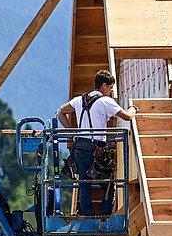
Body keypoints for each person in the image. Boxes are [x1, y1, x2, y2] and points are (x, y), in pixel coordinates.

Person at [56, 70, 137, 217]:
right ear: (104, 85)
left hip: (79, 148)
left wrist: (72, 131)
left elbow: (60, 112)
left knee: (84, 184)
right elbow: (127, 117)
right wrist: (134, 108)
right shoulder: (106, 101)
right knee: (107, 184)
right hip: (96, 150)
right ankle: (105, 214)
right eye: (111, 87)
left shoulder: (79, 100)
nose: (111, 91)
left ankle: (88, 214)